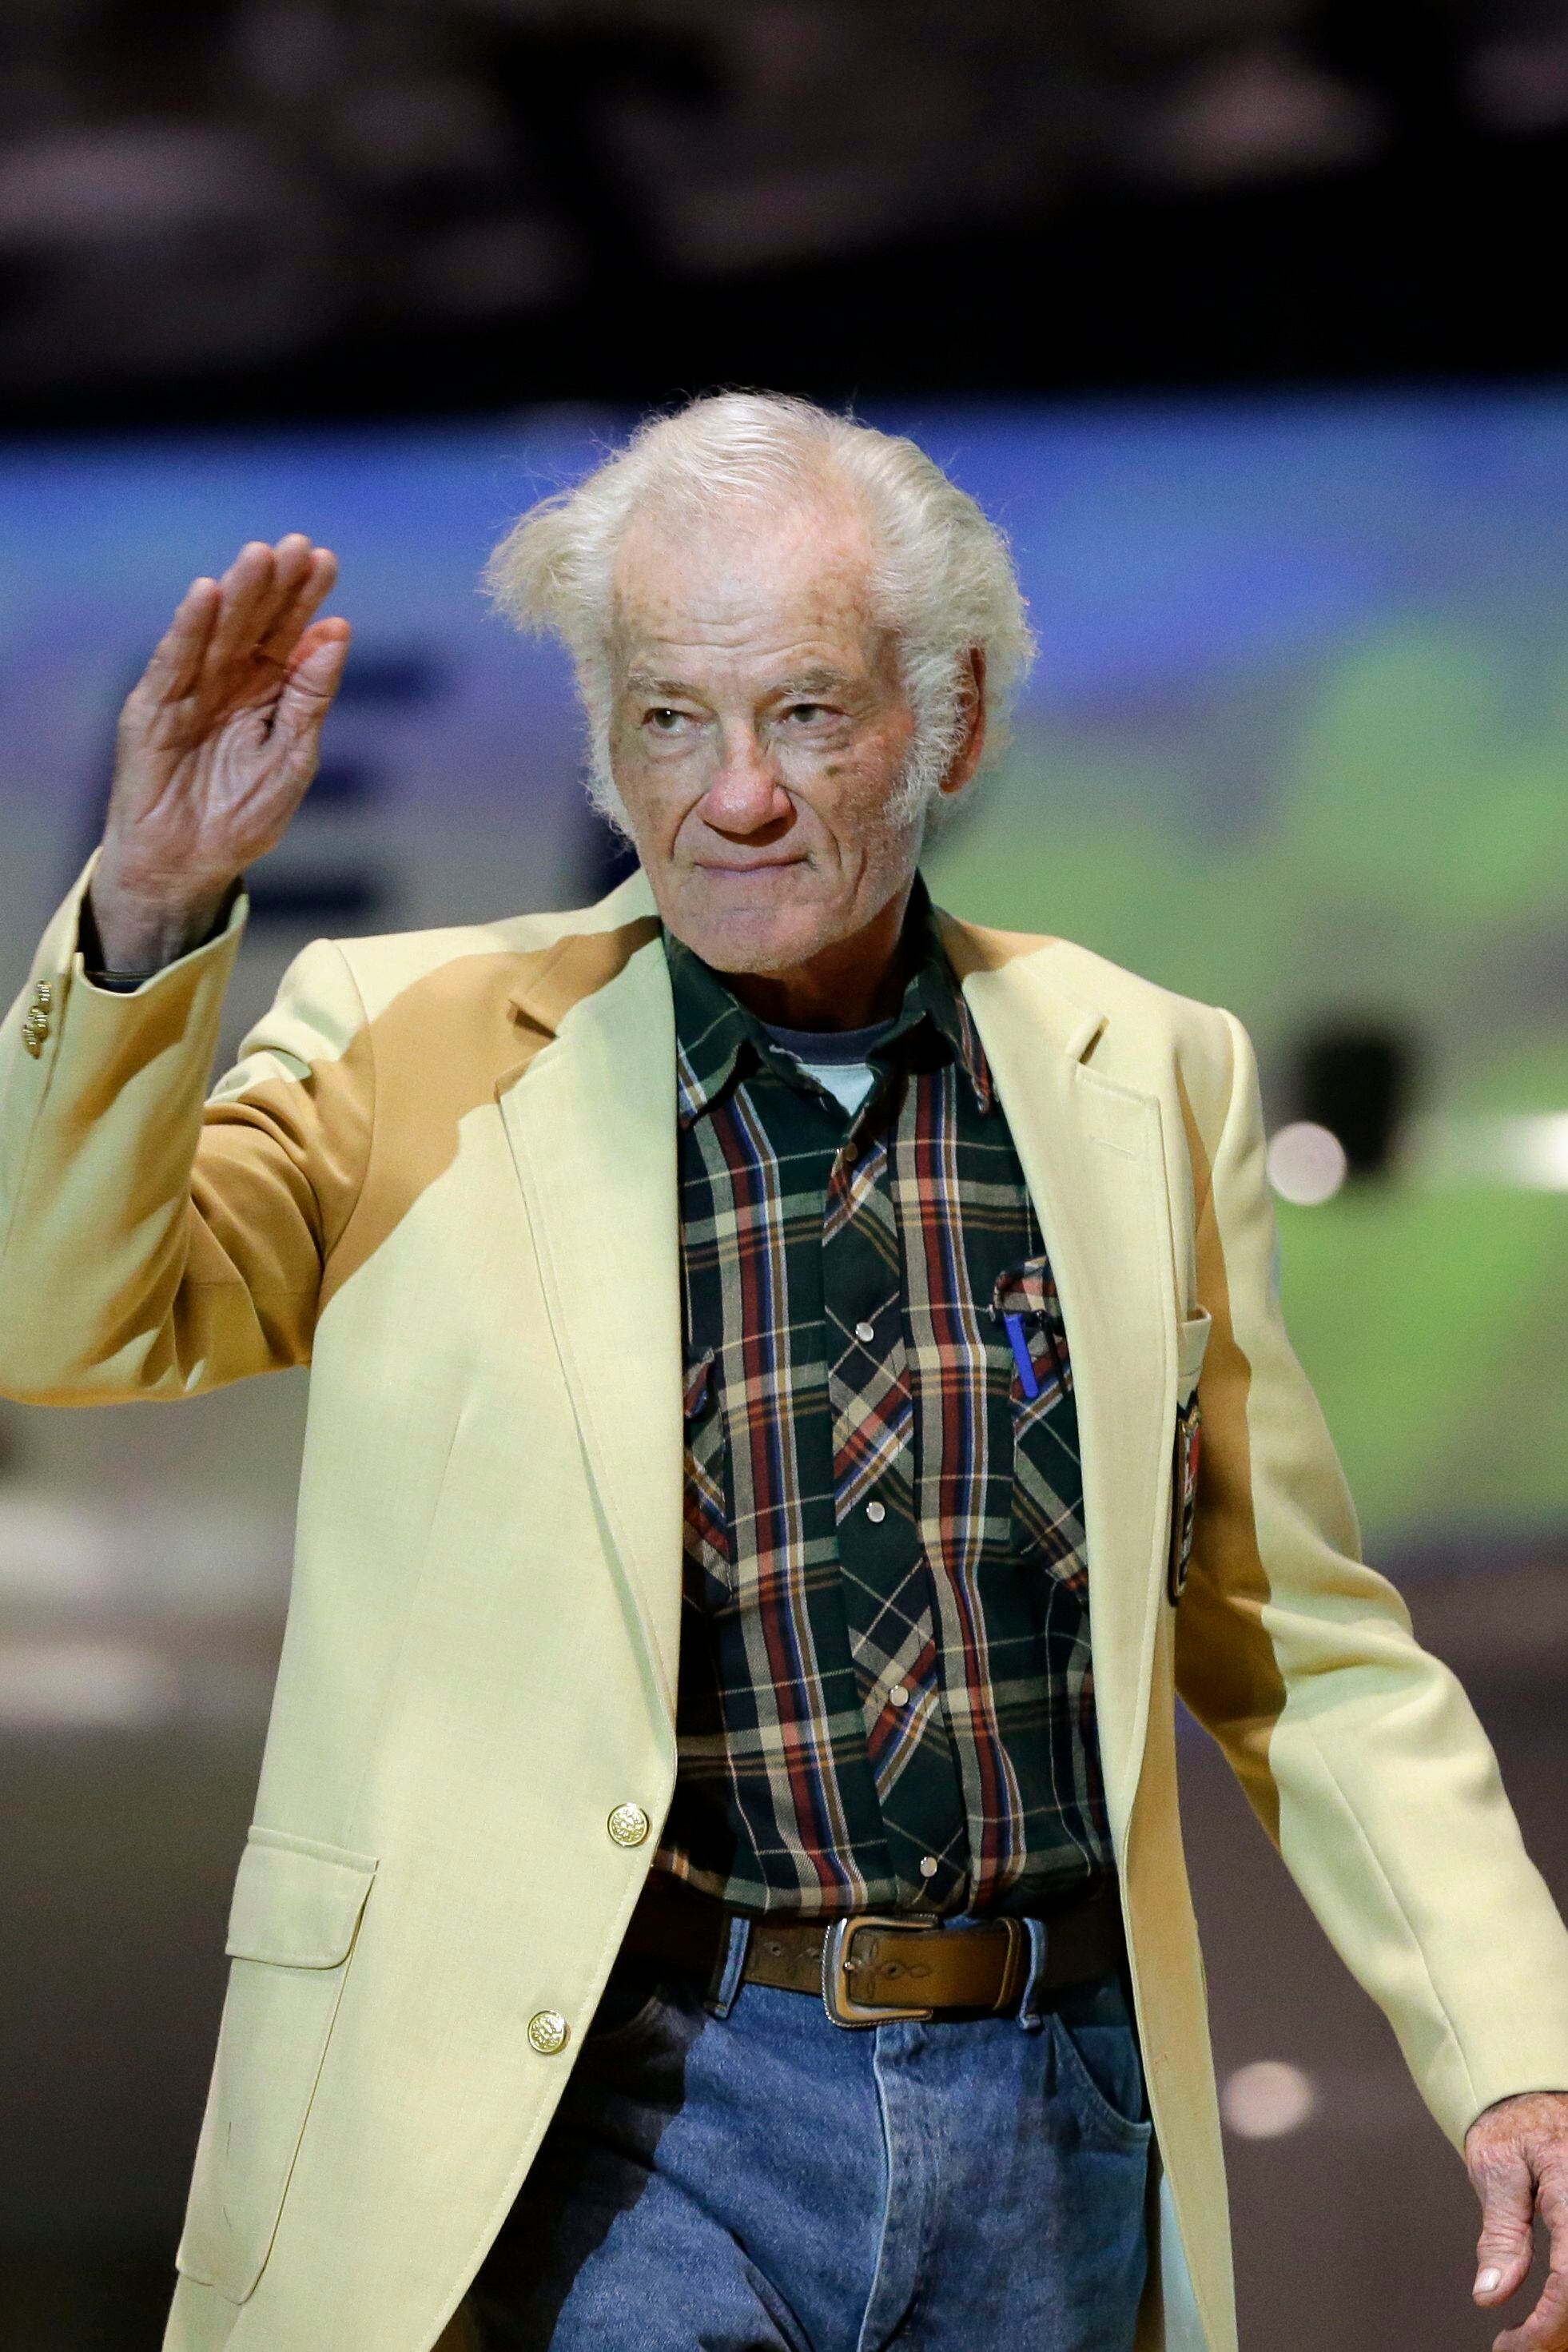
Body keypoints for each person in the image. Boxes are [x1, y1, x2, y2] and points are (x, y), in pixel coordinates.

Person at [2, 392, 1566, 2352]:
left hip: (1050, 2107)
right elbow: (65, 1319)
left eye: (806, 714)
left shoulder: (1142, 1068)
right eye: (669, 717)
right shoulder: (402, 1042)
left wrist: (1521, 2046)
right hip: (621, 2110)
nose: (730, 793)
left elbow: (1299, 1635)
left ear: (957, 719)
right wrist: (147, 915)